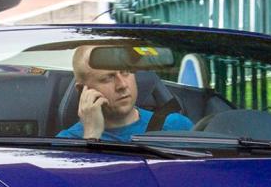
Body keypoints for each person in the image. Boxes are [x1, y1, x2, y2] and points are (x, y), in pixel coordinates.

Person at [58, 46, 194, 141]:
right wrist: (91, 137)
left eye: (126, 72)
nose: (122, 85)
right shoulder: (67, 141)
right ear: (83, 91)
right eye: (107, 78)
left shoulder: (177, 126)